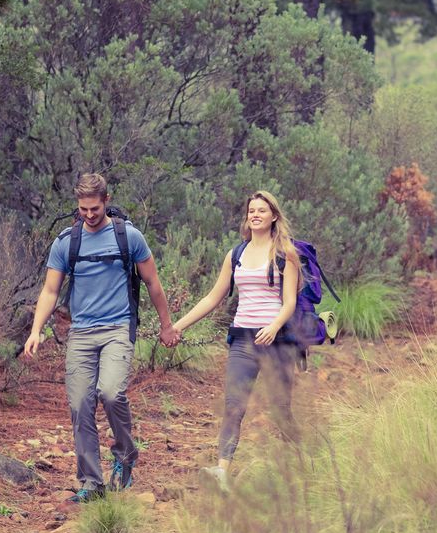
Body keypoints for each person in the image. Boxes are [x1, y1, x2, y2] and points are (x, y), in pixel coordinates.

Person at [24, 173, 176, 503]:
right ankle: (92, 483)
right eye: (83, 209)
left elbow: (153, 283)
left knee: (110, 392)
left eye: (94, 208)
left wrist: (166, 326)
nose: (89, 215)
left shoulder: (129, 237)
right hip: (82, 332)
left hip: (118, 328)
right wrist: (36, 330)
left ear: (106, 201)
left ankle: (124, 457)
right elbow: (50, 290)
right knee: (80, 404)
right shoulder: (67, 242)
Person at [164, 190, 301, 490]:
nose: (255, 214)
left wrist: (275, 325)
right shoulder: (235, 254)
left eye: (262, 210)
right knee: (234, 406)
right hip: (242, 339)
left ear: (274, 216)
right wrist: (179, 326)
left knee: (280, 409)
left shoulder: (285, 254)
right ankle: (222, 471)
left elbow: (289, 301)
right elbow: (213, 297)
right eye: (251, 210)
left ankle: (302, 462)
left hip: (276, 341)